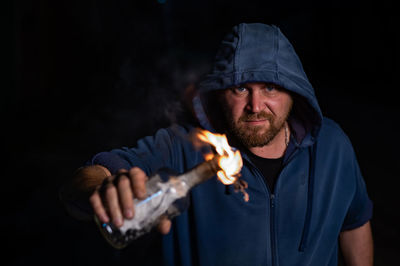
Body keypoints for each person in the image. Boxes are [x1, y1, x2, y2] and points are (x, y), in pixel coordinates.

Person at [61, 23, 373, 265]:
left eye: (270, 87)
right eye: (240, 88)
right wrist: (105, 187)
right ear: (218, 95)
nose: (256, 105)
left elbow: (354, 222)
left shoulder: (332, 147)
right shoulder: (182, 146)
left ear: (295, 92)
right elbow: (84, 182)